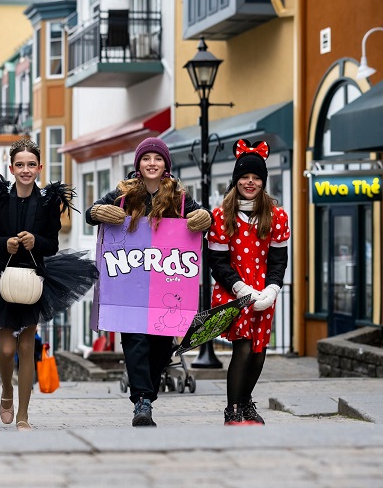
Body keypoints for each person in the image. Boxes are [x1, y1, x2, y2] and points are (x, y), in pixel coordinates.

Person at [0, 137, 98, 431]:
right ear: (11, 168)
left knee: (27, 347)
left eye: (31, 164)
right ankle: (6, 392)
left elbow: (52, 245)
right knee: (6, 350)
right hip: (1, 277)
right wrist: (6, 243)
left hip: (34, 278)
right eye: (20, 165)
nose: (26, 170)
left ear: (40, 167)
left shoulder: (48, 201)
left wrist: (35, 242)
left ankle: (24, 415)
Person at [85, 137, 212, 427]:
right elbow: (93, 214)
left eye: (157, 158)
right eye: (146, 158)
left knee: (161, 347)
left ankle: (147, 396)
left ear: (165, 164)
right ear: (138, 165)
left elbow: (200, 218)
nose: (152, 163)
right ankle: (142, 400)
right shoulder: (123, 193)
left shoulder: (179, 196)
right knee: (135, 341)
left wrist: (205, 217)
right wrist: (98, 212)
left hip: (166, 285)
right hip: (129, 283)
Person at [208, 139, 290, 425]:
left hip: (264, 291)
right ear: (236, 180)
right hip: (234, 291)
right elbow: (217, 262)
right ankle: (232, 409)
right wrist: (240, 288)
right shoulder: (221, 216)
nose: (250, 182)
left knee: (258, 350)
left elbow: (279, 260)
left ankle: (246, 402)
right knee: (243, 346)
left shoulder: (277, 216)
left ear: (263, 181)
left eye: (256, 177)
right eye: (245, 176)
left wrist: (272, 288)